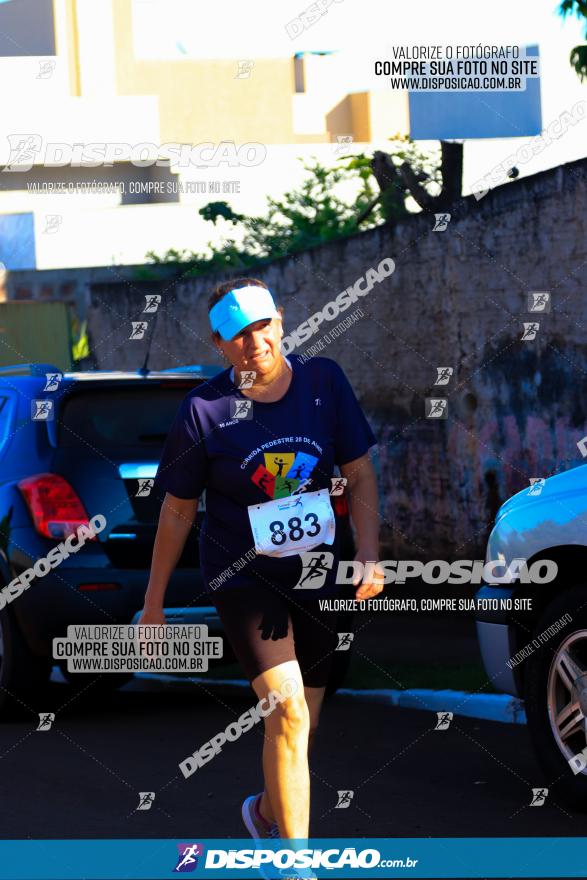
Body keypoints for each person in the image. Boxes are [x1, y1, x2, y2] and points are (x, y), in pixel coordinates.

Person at [139, 277, 382, 865]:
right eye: (239, 335)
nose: (256, 343)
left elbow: (362, 473)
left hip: (320, 573)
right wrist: (153, 603)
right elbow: (176, 511)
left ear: (280, 321)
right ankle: (295, 863)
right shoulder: (204, 410)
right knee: (288, 710)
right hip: (242, 575)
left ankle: (266, 812)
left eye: (263, 327)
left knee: (304, 721)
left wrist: (369, 553)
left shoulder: (324, 382)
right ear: (220, 345)